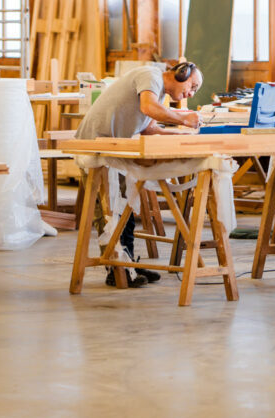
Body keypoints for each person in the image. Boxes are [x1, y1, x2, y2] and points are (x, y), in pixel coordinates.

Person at [74, 62, 204, 287]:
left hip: (113, 148)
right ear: (181, 74)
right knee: (107, 211)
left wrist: (176, 134)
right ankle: (116, 269)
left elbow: (148, 127)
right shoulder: (150, 75)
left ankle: (128, 263)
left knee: (125, 208)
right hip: (94, 147)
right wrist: (182, 119)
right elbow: (148, 108)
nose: (190, 93)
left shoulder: (157, 91)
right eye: (192, 86)